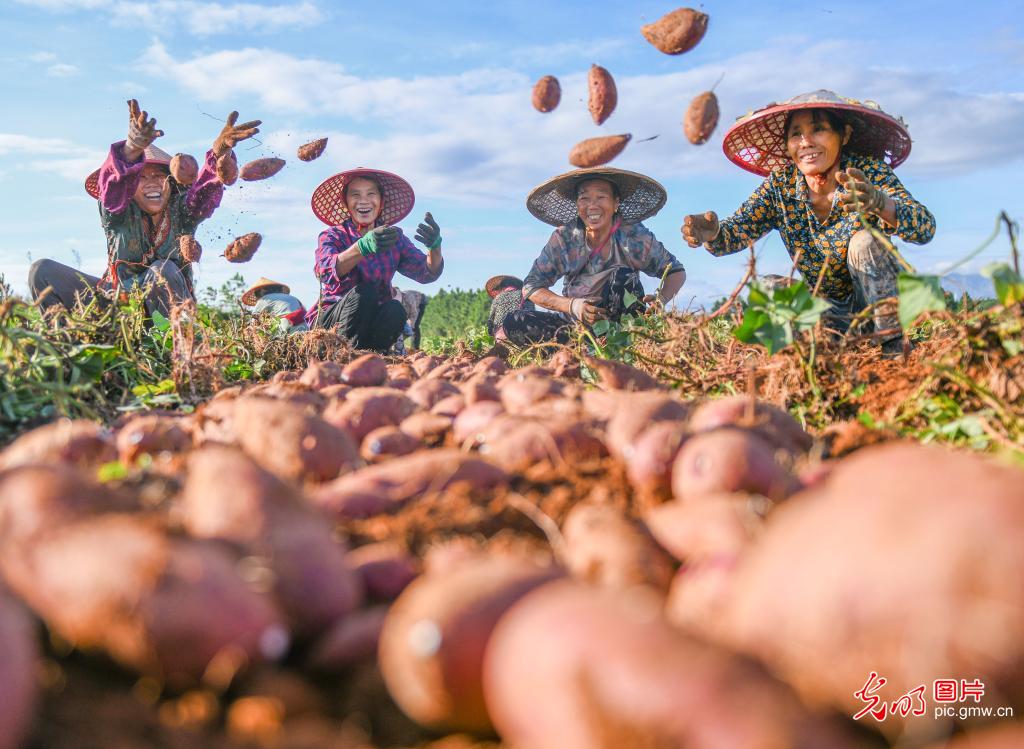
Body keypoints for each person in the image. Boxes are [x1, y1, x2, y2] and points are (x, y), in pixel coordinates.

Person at [682, 90, 936, 355]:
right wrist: (712, 232)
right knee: (770, 287)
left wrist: (879, 202)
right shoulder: (780, 186)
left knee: (865, 242)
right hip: (825, 317)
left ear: (844, 135)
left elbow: (925, 227)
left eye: (819, 130)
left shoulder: (868, 173)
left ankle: (893, 346)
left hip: (875, 307)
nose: (806, 142)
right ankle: (808, 354)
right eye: (796, 134)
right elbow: (737, 231)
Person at [28, 99, 260, 318]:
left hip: (165, 314)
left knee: (163, 269)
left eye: (159, 176)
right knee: (42, 271)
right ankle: (70, 349)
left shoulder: (183, 212)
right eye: (141, 177)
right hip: (118, 306)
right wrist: (132, 148)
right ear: (130, 185)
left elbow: (202, 193)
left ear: (171, 183)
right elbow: (112, 187)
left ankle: (173, 349)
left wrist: (219, 152)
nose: (152, 182)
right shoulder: (119, 211)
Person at [497, 167, 686, 345]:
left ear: (615, 203)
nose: (592, 206)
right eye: (584, 198)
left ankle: (620, 344)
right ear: (577, 204)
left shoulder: (634, 236)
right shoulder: (565, 239)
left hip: (624, 328)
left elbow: (675, 271)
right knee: (515, 321)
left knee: (621, 277)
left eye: (601, 197)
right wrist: (572, 306)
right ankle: (578, 351)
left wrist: (661, 299)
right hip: (576, 329)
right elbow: (531, 287)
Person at [306, 168, 444, 353]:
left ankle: (372, 356)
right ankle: (338, 355)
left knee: (395, 309)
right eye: (355, 195)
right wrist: (361, 247)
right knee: (365, 293)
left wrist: (434, 247)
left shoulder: (393, 237)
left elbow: (426, 272)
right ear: (346, 203)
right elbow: (325, 272)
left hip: (371, 323)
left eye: (371, 194)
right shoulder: (333, 236)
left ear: (381, 202)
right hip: (332, 325)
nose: (363, 200)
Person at [241, 277, 308, 334]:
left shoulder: (264, 299)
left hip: (287, 324)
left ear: (261, 292)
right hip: (304, 326)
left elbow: (254, 323)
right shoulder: (293, 298)